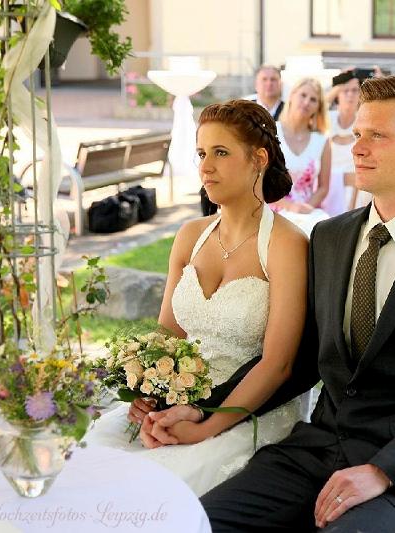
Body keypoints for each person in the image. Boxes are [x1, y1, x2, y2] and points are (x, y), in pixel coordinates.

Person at [153, 76, 395, 531]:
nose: (358, 148)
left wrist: (384, 471)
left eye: (377, 136)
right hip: (314, 451)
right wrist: (205, 408)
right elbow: (298, 362)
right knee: (197, 523)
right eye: (357, 134)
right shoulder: (330, 237)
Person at [86, 100, 310, 497]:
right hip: (182, 399)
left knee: (161, 486)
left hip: (247, 409)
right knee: (95, 457)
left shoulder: (286, 245)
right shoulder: (190, 236)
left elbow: (279, 364)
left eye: (220, 153)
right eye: (202, 153)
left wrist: (205, 425)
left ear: (259, 159)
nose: (205, 166)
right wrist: (147, 397)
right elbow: (166, 338)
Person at [272, 77, 332, 235]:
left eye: (313, 99)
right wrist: (290, 207)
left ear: (318, 107)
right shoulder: (271, 133)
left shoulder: (322, 141)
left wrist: (306, 208)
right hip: (274, 208)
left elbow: (323, 187)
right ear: (292, 96)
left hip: (308, 211)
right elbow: (259, 181)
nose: (306, 102)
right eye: (303, 95)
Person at [322, 75, 361, 216]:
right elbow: (315, 109)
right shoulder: (327, 118)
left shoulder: (363, 120)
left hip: (357, 193)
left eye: (355, 90)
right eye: (346, 90)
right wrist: (339, 85)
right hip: (327, 189)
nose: (350, 94)